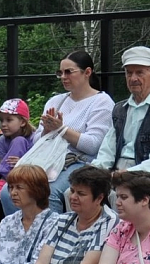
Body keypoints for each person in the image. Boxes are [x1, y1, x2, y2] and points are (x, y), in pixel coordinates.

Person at [9, 50, 113, 214]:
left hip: (81, 162)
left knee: (49, 192)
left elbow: (93, 146)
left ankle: (52, 237)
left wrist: (61, 129)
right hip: (49, 159)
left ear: (87, 72)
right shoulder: (56, 100)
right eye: (60, 72)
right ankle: (21, 234)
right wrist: (46, 132)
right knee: (9, 192)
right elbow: (37, 141)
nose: (63, 77)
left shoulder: (102, 102)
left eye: (68, 72)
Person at [93, 46, 150, 175]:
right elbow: (107, 150)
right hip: (118, 171)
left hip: (149, 176)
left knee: (115, 194)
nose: (133, 78)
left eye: (139, 72)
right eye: (129, 73)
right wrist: (95, 172)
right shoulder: (120, 108)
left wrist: (128, 173)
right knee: (73, 192)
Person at [0, 98, 37, 204]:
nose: (3, 124)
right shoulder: (2, 141)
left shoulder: (34, 139)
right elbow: (6, 166)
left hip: (27, 178)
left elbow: (40, 164)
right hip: (5, 179)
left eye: (9, 120)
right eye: (1, 120)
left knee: (19, 141)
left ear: (23, 122)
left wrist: (22, 163)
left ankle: (5, 180)